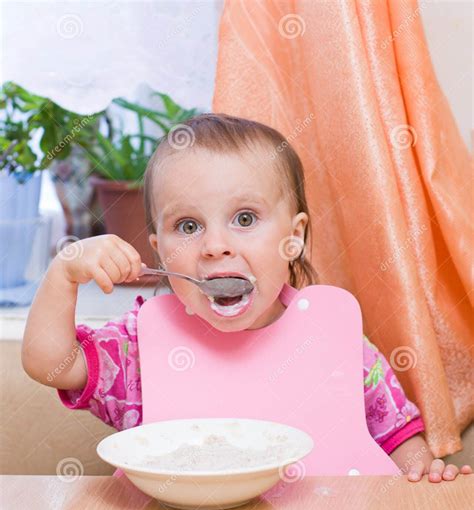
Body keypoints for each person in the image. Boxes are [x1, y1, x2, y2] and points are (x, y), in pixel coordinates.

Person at [22, 114, 471, 483]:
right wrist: (64, 273)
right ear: (158, 250)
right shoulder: (139, 346)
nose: (215, 245)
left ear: (293, 238)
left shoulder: (337, 340)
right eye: (189, 226)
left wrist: (422, 478)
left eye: (244, 217)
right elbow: (49, 363)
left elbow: (396, 438)